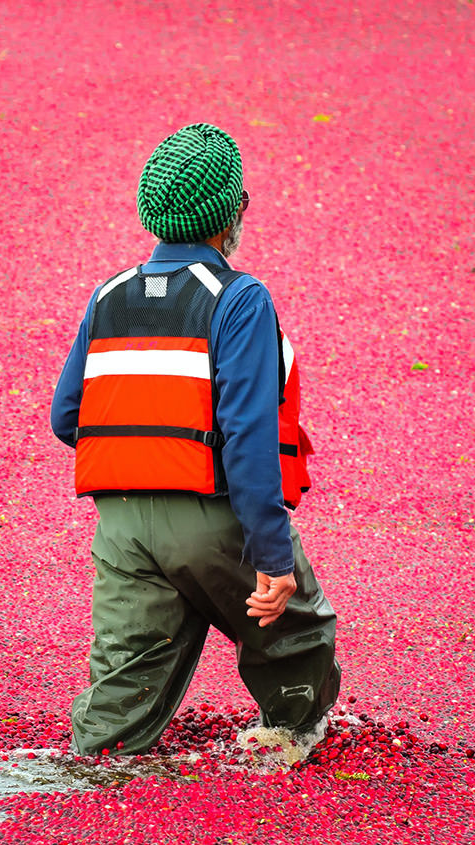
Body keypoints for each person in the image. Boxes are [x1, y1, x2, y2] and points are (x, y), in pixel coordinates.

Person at [49, 123, 341, 765]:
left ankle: (89, 778)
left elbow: (67, 417)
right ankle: (288, 744)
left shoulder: (109, 295)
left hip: (121, 527)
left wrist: (141, 455)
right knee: (297, 635)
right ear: (232, 212)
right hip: (217, 517)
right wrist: (271, 556)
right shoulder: (241, 299)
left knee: (122, 691)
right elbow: (248, 436)